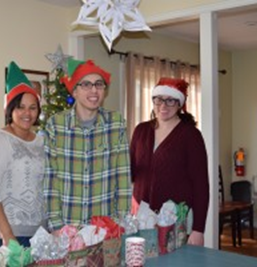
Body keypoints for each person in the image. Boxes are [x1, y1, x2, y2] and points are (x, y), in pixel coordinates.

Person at [43, 58, 132, 231]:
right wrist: (57, 226)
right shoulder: (56, 125)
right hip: (67, 228)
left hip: (105, 229)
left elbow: (123, 179)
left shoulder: (116, 123)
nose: (94, 90)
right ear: (74, 91)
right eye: (86, 84)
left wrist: (120, 224)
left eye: (99, 84)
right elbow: (50, 181)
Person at [0, 61, 47, 249]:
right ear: (10, 109)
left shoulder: (41, 141)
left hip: (36, 234)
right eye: (20, 107)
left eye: (33, 107)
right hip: (0, 236)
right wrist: (7, 234)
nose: (27, 113)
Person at [130, 77, 209, 246]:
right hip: (141, 219)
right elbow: (129, 171)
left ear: (179, 104)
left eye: (170, 101)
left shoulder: (191, 135)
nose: (163, 106)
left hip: (175, 221)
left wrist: (198, 229)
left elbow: (201, 185)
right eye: (158, 100)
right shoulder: (141, 130)